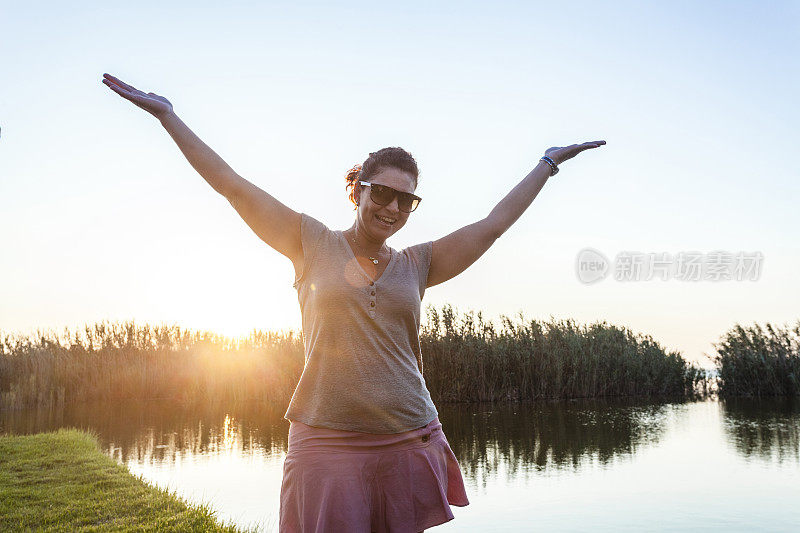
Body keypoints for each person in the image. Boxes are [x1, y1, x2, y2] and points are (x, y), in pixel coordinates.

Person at [102, 72, 606, 532]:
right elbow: (234, 188)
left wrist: (547, 163)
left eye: (405, 200)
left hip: (408, 434)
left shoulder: (418, 263)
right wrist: (170, 117)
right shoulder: (310, 243)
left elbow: (492, 226)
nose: (391, 208)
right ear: (357, 192)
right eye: (381, 194)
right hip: (326, 438)